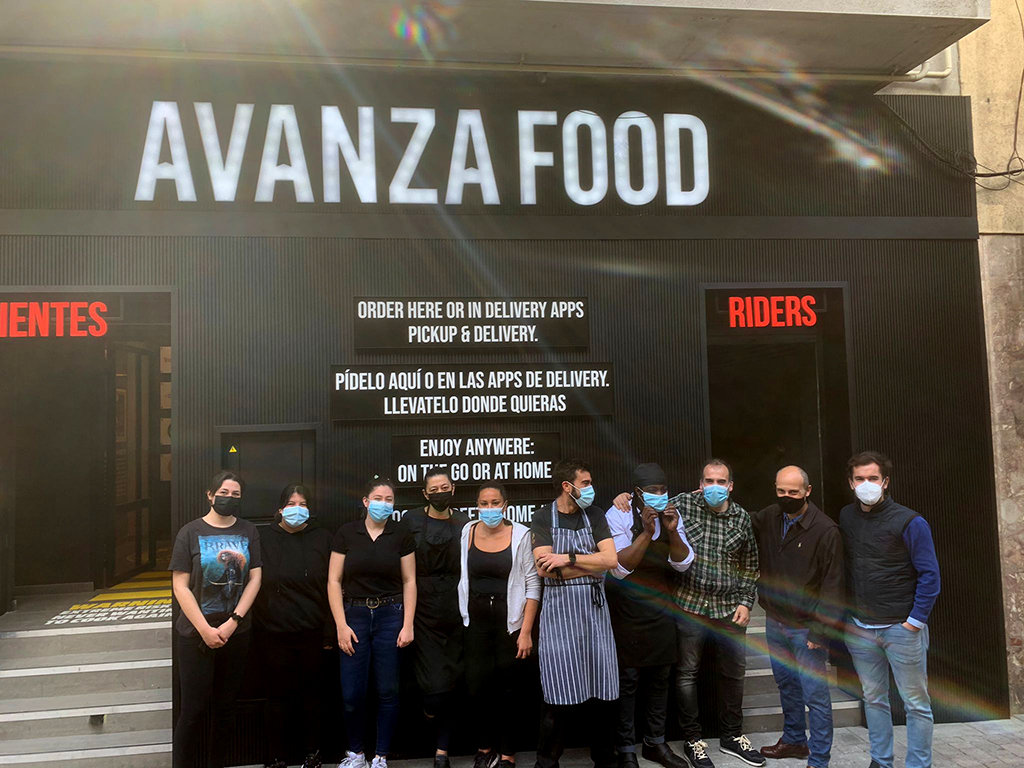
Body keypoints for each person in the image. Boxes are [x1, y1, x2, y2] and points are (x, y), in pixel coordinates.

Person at [840, 452, 940, 768]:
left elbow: (930, 574)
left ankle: (918, 764)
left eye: (873, 478)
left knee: (916, 704)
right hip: (860, 627)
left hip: (902, 628)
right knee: (873, 699)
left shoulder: (911, 521)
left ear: (885, 481)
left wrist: (914, 622)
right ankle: (881, 761)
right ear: (850, 482)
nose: (866, 484)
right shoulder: (846, 516)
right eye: (860, 478)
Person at [669, 459, 764, 768]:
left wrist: (745, 602)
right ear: (701, 483)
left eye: (720, 481)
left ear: (730, 485)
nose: (714, 487)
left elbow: (750, 566)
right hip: (690, 605)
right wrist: (625, 500)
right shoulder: (683, 503)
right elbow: (648, 507)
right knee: (686, 675)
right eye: (708, 481)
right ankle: (693, 741)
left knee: (734, 673)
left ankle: (732, 737)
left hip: (728, 609)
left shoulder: (741, 518)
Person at [751, 467, 844, 768]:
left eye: (793, 492)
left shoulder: (826, 530)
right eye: (781, 491)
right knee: (786, 685)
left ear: (808, 490)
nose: (786, 497)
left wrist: (821, 631)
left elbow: (833, 585)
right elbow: (737, 519)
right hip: (775, 620)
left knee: (815, 696)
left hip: (806, 629)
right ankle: (794, 741)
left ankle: (819, 760)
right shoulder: (769, 517)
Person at [169, 471, 263, 768]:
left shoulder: (249, 531)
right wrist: (205, 630)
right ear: (210, 495)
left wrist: (233, 621)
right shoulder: (190, 532)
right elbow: (180, 585)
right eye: (224, 492)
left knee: (225, 708)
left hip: (236, 631)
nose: (229, 498)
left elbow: (255, 577)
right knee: (193, 710)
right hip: (195, 635)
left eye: (236, 494)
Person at [531, 458, 619, 768]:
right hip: (558, 617)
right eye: (585, 483)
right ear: (568, 487)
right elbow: (545, 570)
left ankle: (606, 760)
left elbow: (610, 560)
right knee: (557, 694)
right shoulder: (542, 517)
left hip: (595, 616)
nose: (591, 489)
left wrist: (567, 557)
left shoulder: (594, 514)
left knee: (603, 693)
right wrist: (589, 566)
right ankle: (547, 761)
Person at [606, 463, 694, 768]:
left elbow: (683, 563)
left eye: (662, 490)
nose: (659, 495)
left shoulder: (673, 515)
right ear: (638, 492)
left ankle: (655, 744)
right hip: (628, 608)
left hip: (660, 605)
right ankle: (626, 748)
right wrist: (645, 532)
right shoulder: (618, 514)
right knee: (628, 680)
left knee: (660, 678)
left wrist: (671, 533)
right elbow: (619, 566)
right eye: (652, 491)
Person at [328, 477, 416, 768]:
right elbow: (333, 580)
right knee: (352, 692)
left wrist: (408, 624)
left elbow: (410, 581)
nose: (383, 504)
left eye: (389, 499)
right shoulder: (346, 533)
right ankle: (356, 754)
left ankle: (380, 756)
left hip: (391, 615)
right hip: (353, 616)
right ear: (365, 502)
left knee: (388, 690)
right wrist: (341, 625)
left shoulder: (401, 534)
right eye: (377, 498)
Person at [458, 481, 542, 768]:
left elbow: (533, 585)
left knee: (510, 691)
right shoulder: (467, 532)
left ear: (505, 505)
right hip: (476, 621)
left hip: (511, 623)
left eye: (495, 503)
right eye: (484, 503)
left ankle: (508, 754)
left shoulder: (521, 535)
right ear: (477, 506)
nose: (489, 509)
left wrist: (526, 632)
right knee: (477, 687)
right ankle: (484, 750)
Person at [253, 484, 334, 768]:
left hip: (314, 633)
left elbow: (332, 587)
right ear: (279, 509)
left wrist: (329, 630)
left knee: (313, 696)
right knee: (277, 698)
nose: (296, 508)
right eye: (290, 503)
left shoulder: (323, 538)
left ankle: (313, 754)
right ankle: (276, 757)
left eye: (302, 503)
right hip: (273, 633)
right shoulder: (262, 538)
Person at [402, 467, 470, 768]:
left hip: (457, 610)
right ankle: (428, 713)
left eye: (445, 487)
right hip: (423, 610)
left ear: (453, 489)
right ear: (425, 493)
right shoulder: (411, 520)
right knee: (434, 690)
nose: (440, 492)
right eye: (434, 489)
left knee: (453, 685)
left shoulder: (466, 523)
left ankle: (442, 752)